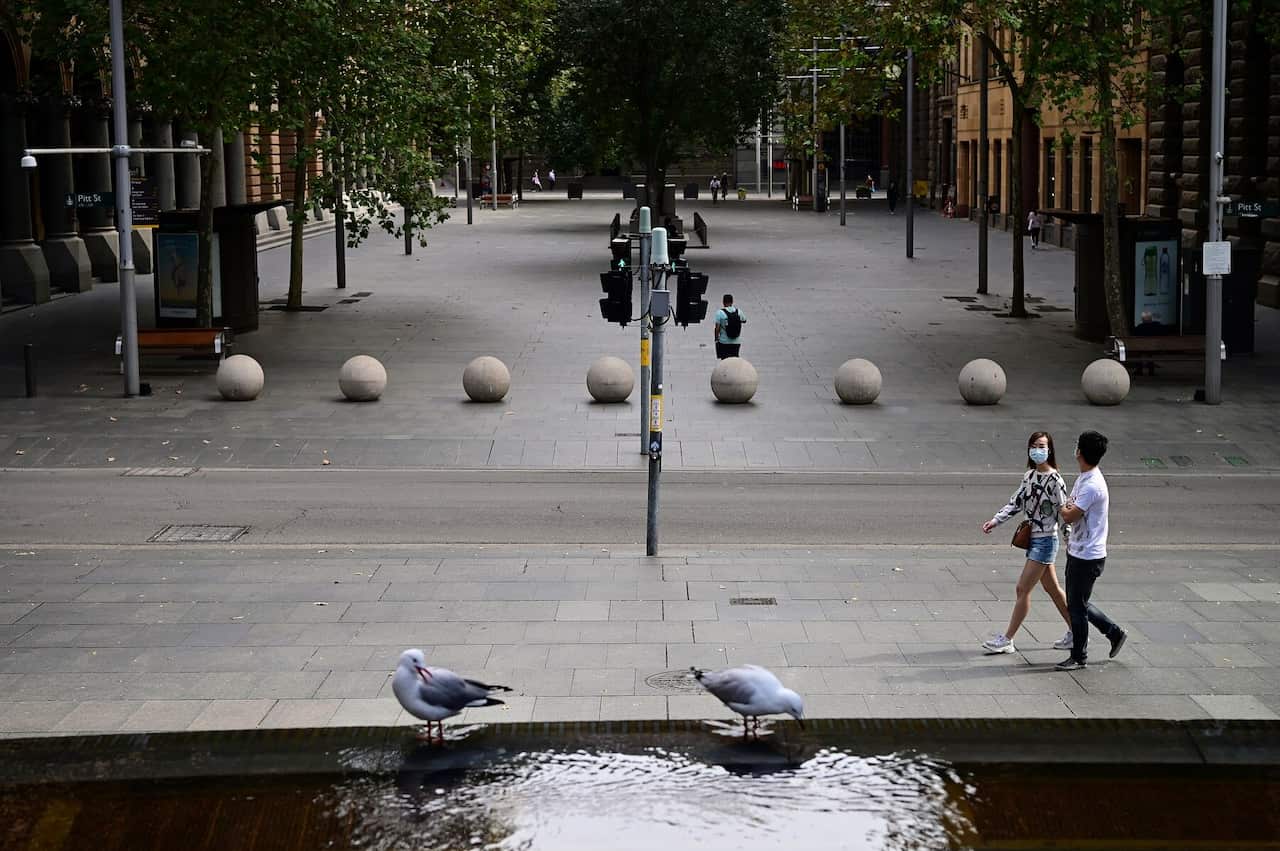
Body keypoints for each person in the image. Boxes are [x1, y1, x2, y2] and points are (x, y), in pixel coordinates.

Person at [979, 432, 1073, 655]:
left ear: (1049, 450)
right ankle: (1077, 631)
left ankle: (1007, 640)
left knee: (1022, 588)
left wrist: (1071, 541)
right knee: (1054, 590)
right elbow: (1016, 502)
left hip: (1046, 542)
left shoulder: (1055, 480)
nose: (1037, 450)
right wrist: (995, 520)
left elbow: (1064, 513)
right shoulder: (1029, 476)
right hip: (1034, 540)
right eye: (1033, 445)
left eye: (1041, 445)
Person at [1056, 430, 1128, 671]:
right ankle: (1113, 632)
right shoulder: (1085, 477)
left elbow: (1068, 513)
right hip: (1079, 551)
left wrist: (1064, 508)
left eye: (1077, 445)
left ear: (1080, 452)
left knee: (1076, 607)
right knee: (1079, 604)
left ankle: (1079, 656)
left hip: (1087, 556)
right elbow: (1070, 508)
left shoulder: (1092, 485)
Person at [713, 294, 744, 359]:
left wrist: (716, 339)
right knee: (735, 360)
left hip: (724, 342)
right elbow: (744, 320)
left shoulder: (720, 312)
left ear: (723, 302)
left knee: (724, 360)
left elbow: (717, 328)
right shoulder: (739, 311)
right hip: (736, 342)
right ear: (732, 302)